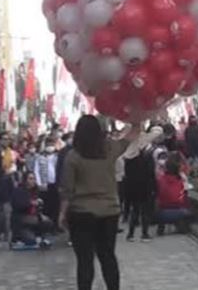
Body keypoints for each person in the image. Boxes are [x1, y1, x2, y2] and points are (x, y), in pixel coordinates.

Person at [59, 115, 141, 290]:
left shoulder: (73, 157)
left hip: (81, 212)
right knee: (108, 256)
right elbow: (134, 134)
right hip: (109, 211)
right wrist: (137, 118)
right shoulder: (110, 149)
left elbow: (67, 189)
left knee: (84, 260)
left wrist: (62, 213)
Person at [123, 126, 161, 242]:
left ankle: (130, 234)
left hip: (133, 187)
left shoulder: (128, 158)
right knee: (145, 211)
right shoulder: (147, 156)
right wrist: (155, 187)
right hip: (145, 186)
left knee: (135, 210)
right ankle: (144, 234)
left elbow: (127, 174)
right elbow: (151, 173)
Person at [11, 172, 53, 248]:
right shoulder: (19, 191)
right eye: (30, 179)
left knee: (47, 221)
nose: (33, 181)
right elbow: (18, 205)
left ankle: (38, 235)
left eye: (34, 179)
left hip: (33, 216)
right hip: (21, 218)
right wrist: (31, 203)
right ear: (25, 180)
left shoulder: (35, 191)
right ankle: (19, 237)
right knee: (31, 240)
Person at [155, 153, 192, 235]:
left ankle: (161, 226)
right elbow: (183, 197)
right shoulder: (180, 180)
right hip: (177, 209)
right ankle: (182, 226)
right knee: (187, 211)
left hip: (160, 211)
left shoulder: (161, 179)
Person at [34, 137, 60, 223]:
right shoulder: (40, 157)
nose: (50, 146)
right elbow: (36, 170)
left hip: (55, 184)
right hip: (44, 184)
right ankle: (45, 224)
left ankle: (55, 224)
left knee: (55, 205)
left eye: (51, 144)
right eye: (48, 145)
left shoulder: (58, 156)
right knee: (45, 205)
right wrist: (39, 183)